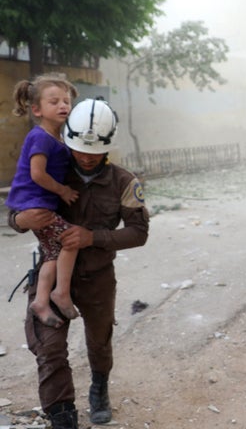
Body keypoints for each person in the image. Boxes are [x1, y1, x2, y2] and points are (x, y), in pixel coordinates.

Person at [8, 97, 150, 429]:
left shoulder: (125, 182)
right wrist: (21, 220)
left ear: (109, 147)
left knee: (99, 342)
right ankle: (62, 415)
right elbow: (19, 211)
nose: (86, 157)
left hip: (98, 278)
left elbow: (139, 232)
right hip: (51, 273)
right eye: (80, 149)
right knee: (48, 347)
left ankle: (99, 390)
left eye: (94, 152)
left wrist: (92, 238)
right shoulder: (53, 171)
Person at [5, 73, 80, 328]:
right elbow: (37, 174)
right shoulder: (40, 137)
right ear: (36, 109)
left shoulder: (59, 138)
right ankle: (61, 292)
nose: (63, 106)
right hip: (33, 203)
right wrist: (63, 191)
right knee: (70, 240)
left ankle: (41, 300)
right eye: (54, 101)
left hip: (39, 204)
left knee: (52, 252)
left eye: (66, 101)